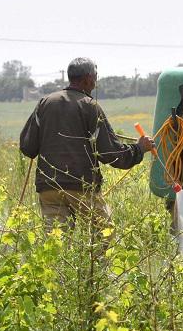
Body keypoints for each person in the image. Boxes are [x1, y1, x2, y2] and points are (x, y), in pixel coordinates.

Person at [19, 58, 155, 230]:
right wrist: (139, 148)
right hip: (81, 185)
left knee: (56, 240)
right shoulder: (90, 106)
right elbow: (111, 154)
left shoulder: (45, 103)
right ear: (88, 78)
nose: (95, 82)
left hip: (49, 187)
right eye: (95, 77)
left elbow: (28, 147)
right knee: (104, 234)